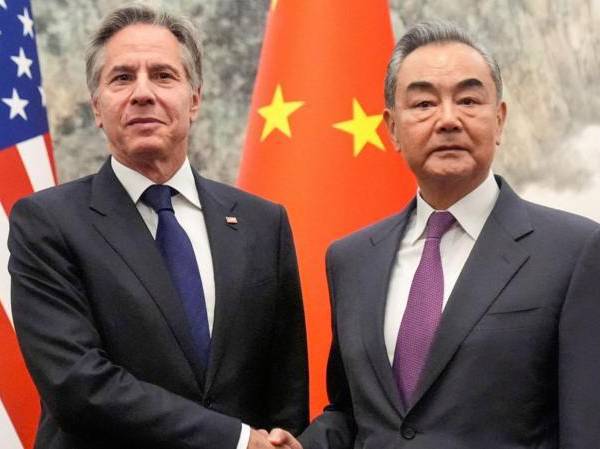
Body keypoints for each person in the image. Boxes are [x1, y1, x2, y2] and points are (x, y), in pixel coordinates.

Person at [268, 20, 600, 449]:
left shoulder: (573, 252)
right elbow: (354, 413)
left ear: (499, 120)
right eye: (424, 103)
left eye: (468, 100)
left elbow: (587, 424)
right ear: (392, 128)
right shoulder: (352, 260)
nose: (448, 120)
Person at [8, 5, 308, 449]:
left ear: (194, 100)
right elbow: (76, 384)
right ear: (96, 107)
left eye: (163, 76)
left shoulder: (262, 224)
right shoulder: (47, 223)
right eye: (122, 78)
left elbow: (286, 390)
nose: (143, 93)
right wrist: (236, 440)